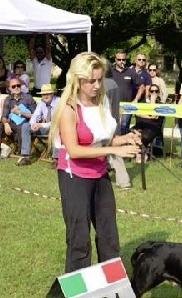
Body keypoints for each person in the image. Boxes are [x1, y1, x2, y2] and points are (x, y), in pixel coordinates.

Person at [48, 51, 141, 273]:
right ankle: (77, 297)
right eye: (91, 81)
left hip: (99, 173)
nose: (97, 85)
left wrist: (124, 139)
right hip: (75, 176)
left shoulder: (103, 102)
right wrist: (115, 149)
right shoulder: (69, 109)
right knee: (79, 239)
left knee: (109, 236)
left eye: (99, 79)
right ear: (78, 81)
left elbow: (103, 138)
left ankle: (112, 288)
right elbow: (74, 149)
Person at [0, 77, 36, 166]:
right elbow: (4, 116)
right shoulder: (8, 99)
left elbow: (35, 115)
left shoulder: (28, 98)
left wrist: (20, 112)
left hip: (25, 122)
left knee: (22, 126)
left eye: (18, 85)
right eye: (14, 86)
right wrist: (5, 124)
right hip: (11, 123)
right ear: (9, 89)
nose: (16, 88)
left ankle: (22, 155)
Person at [110, 50, 138, 135]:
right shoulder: (109, 72)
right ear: (115, 60)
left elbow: (141, 86)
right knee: (113, 126)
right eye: (119, 59)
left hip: (127, 106)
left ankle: (123, 145)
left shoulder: (131, 72)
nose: (121, 61)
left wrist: (136, 99)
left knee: (124, 125)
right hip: (112, 105)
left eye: (123, 59)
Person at [29, 83, 59, 159]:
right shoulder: (41, 103)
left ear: (52, 94)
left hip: (56, 127)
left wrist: (41, 125)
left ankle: (56, 158)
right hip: (45, 128)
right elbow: (35, 115)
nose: (45, 96)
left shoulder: (59, 102)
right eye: (43, 94)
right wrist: (33, 124)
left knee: (57, 129)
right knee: (26, 126)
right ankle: (25, 155)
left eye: (48, 94)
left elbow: (58, 121)